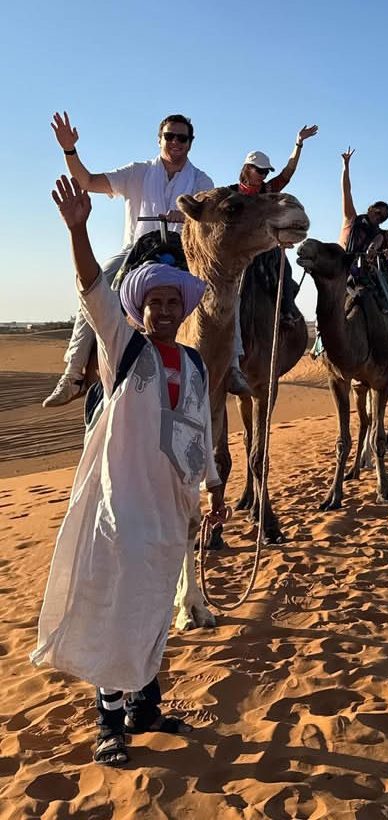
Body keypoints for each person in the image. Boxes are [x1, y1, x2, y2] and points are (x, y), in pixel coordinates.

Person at [32, 176, 227, 767]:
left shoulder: (192, 363)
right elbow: (93, 289)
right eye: (154, 303)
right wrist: (78, 230)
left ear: (182, 308)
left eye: (172, 303)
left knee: (153, 605)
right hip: (123, 506)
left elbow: (199, 430)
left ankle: (145, 706)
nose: (164, 311)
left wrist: (214, 488)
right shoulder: (123, 348)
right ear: (139, 308)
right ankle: (109, 722)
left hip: (172, 508)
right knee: (120, 606)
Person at [43, 112, 214, 408]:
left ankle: (233, 363)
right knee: (94, 286)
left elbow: (210, 221)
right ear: (159, 139)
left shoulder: (201, 181)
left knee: (223, 288)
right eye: (169, 136)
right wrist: (69, 149)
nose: (175, 142)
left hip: (184, 249)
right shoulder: (138, 172)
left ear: (190, 142)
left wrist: (188, 216)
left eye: (182, 138)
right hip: (137, 248)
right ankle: (73, 373)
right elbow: (88, 180)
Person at [226, 127, 318, 394]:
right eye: (260, 171)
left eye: (266, 172)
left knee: (285, 272)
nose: (264, 176)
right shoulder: (231, 195)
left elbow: (288, 173)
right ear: (247, 169)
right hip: (241, 252)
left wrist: (298, 144)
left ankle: (287, 311)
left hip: (267, 248)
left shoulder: (268, 191)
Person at [338, 147, 388, 254]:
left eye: (382, 218)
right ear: (371, 209)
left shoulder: (378, 236)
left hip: (360, 263)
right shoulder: (352, 218)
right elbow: (346, 190)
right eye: (378, 212)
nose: (378, 217)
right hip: (339, 259)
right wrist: (346, 166)